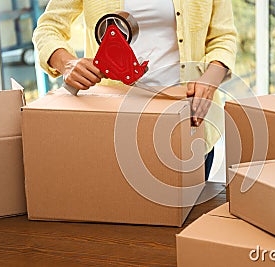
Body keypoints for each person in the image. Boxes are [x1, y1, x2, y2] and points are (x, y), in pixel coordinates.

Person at [32, 0, 237, 180]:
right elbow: (48, 28)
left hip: (188, 121)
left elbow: (223, 36)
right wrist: (66, 62)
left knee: (189, 221)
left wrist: (210, 80)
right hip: (112, 126)